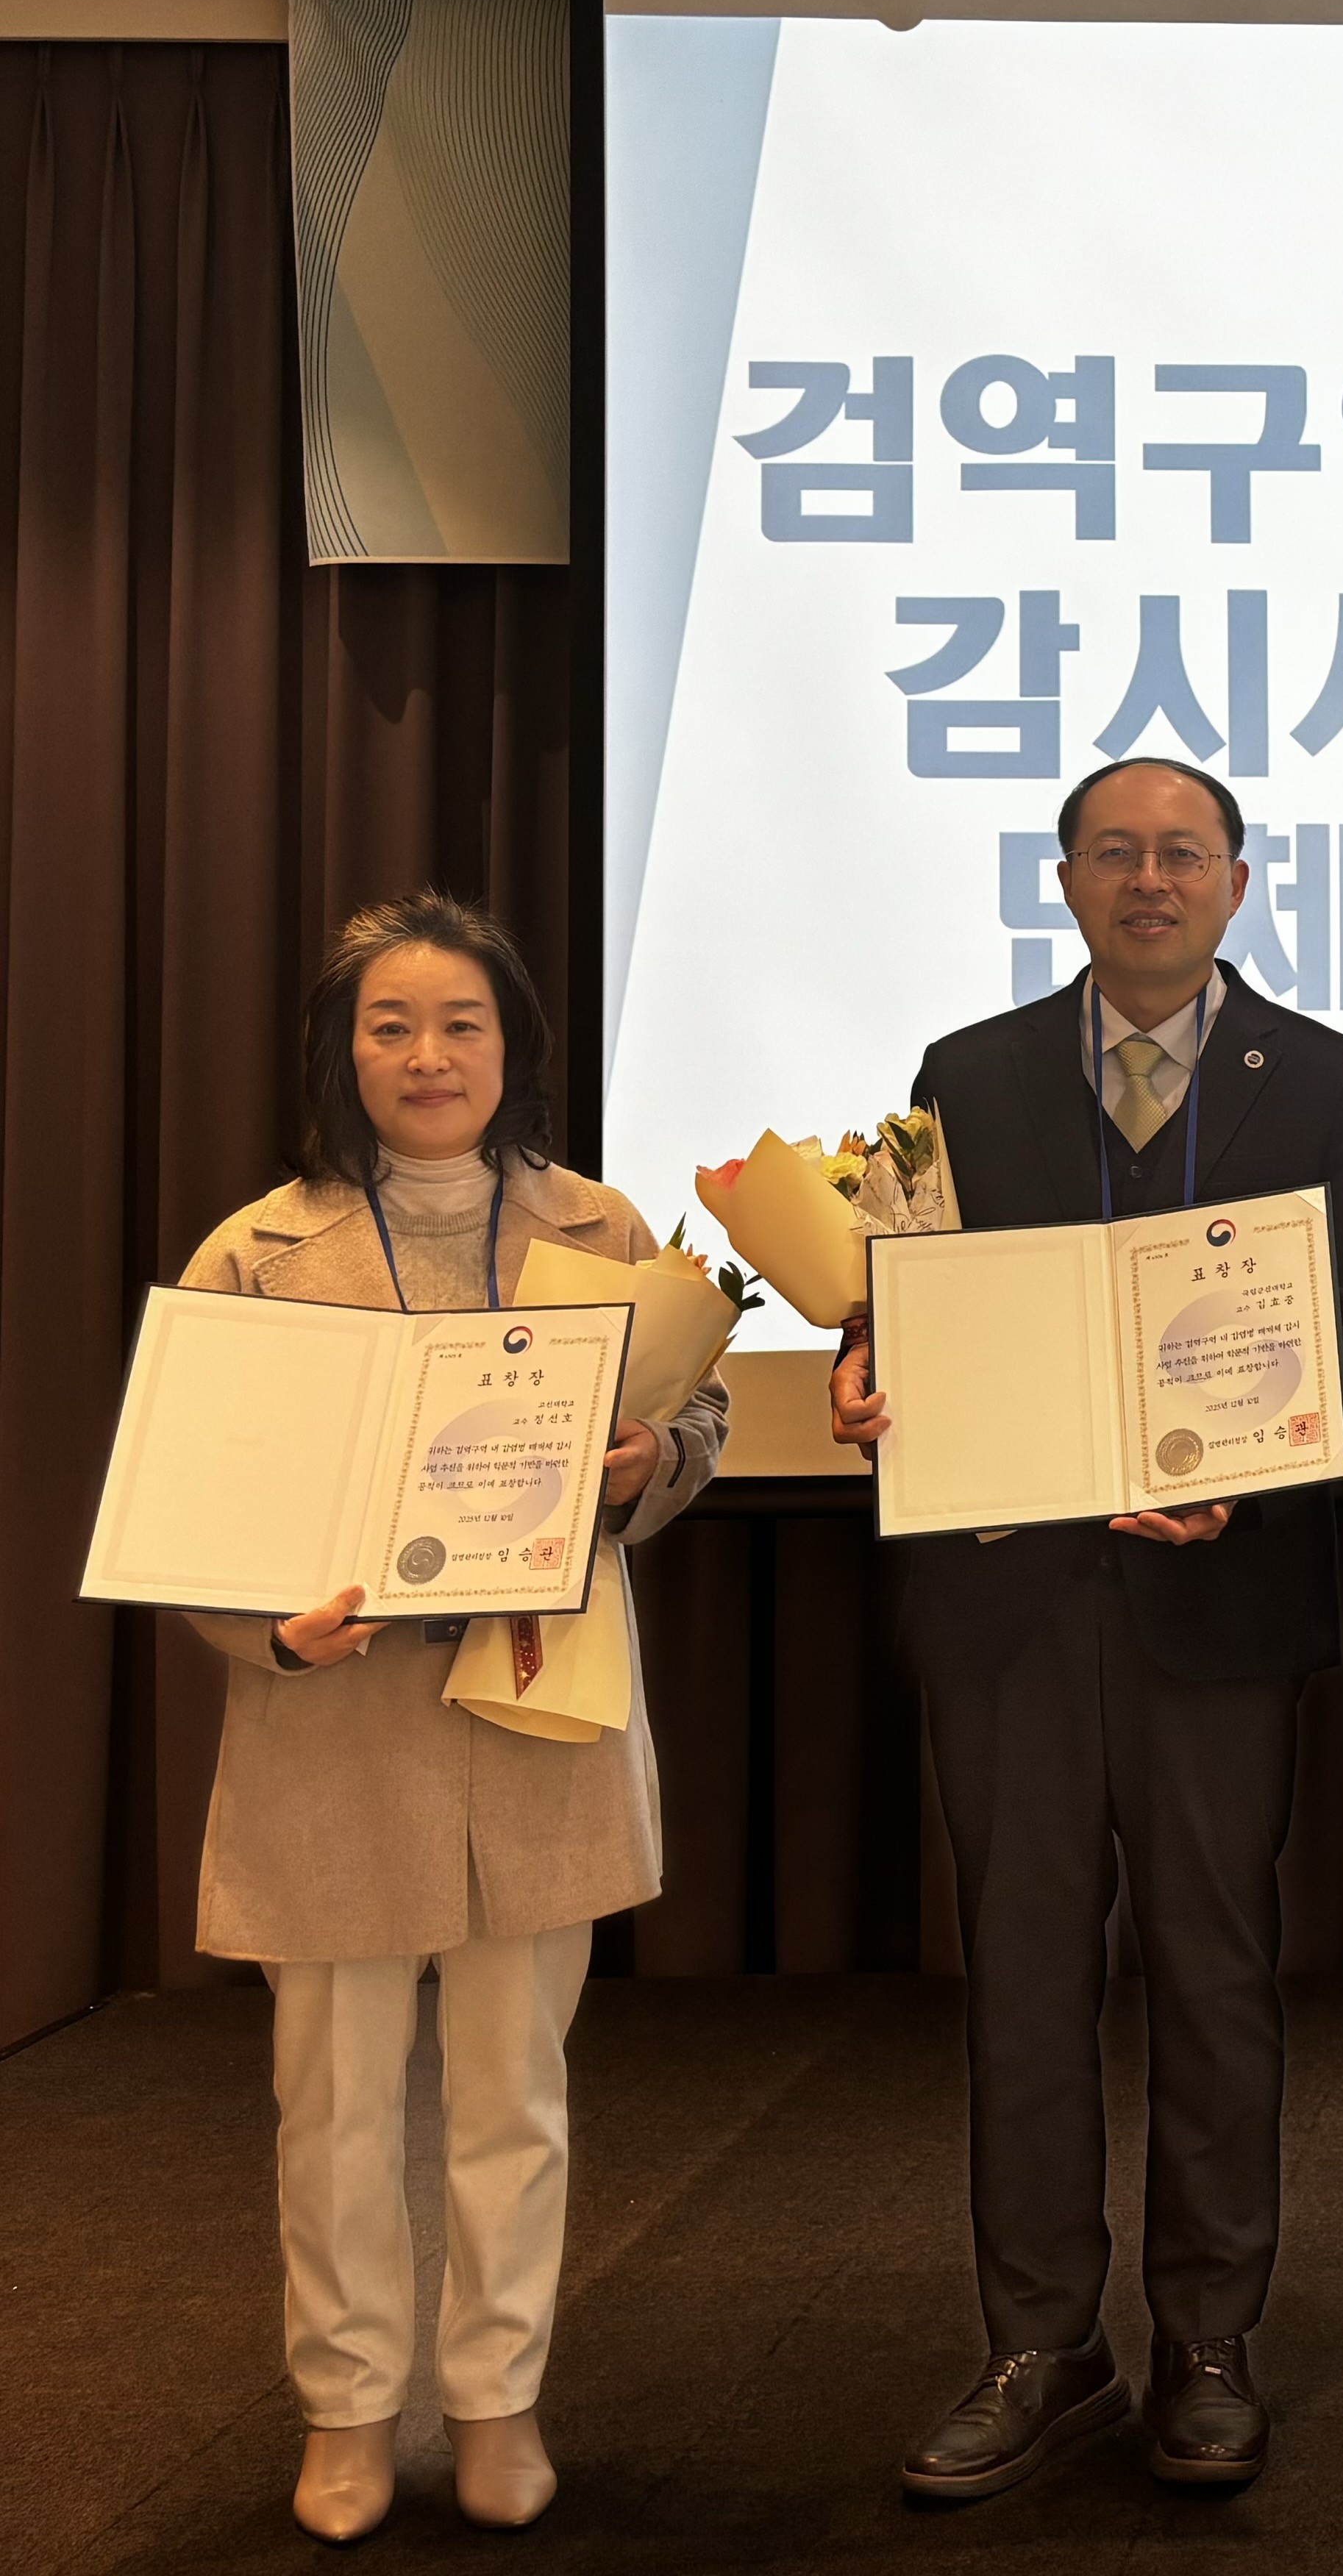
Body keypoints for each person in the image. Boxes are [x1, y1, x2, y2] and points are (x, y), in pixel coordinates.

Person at [829, 757, 1343, 2499]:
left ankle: (1208, 2337)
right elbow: (902, 1303)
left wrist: (1258, 1463)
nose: (1148, 880)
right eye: (1116, 852)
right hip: (1008, 1601)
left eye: (1182, 854)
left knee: (1214, 1976)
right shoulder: (969, 1074)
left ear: (1239, 883)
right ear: (1068, 878)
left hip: (1219, 1595)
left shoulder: (1326, 1079)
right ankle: (1039, 2336)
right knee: (1021, 1978)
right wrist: (880, 1382)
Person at [175, 893, 727, 2544]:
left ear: (514, 1047)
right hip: (329, 1722)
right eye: (392, 1026)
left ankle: (497, 2396)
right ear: (342, 1054)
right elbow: (189, 1495)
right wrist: (261, 1630)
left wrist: (654, 1466)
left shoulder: (602, 1229)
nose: (429, 1056)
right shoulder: (255, 1249)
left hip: (537, 1706)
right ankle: (346, 2408)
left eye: (462, 1024)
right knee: (332, 2097)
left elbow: (687, 1410)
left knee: (514, 2092)